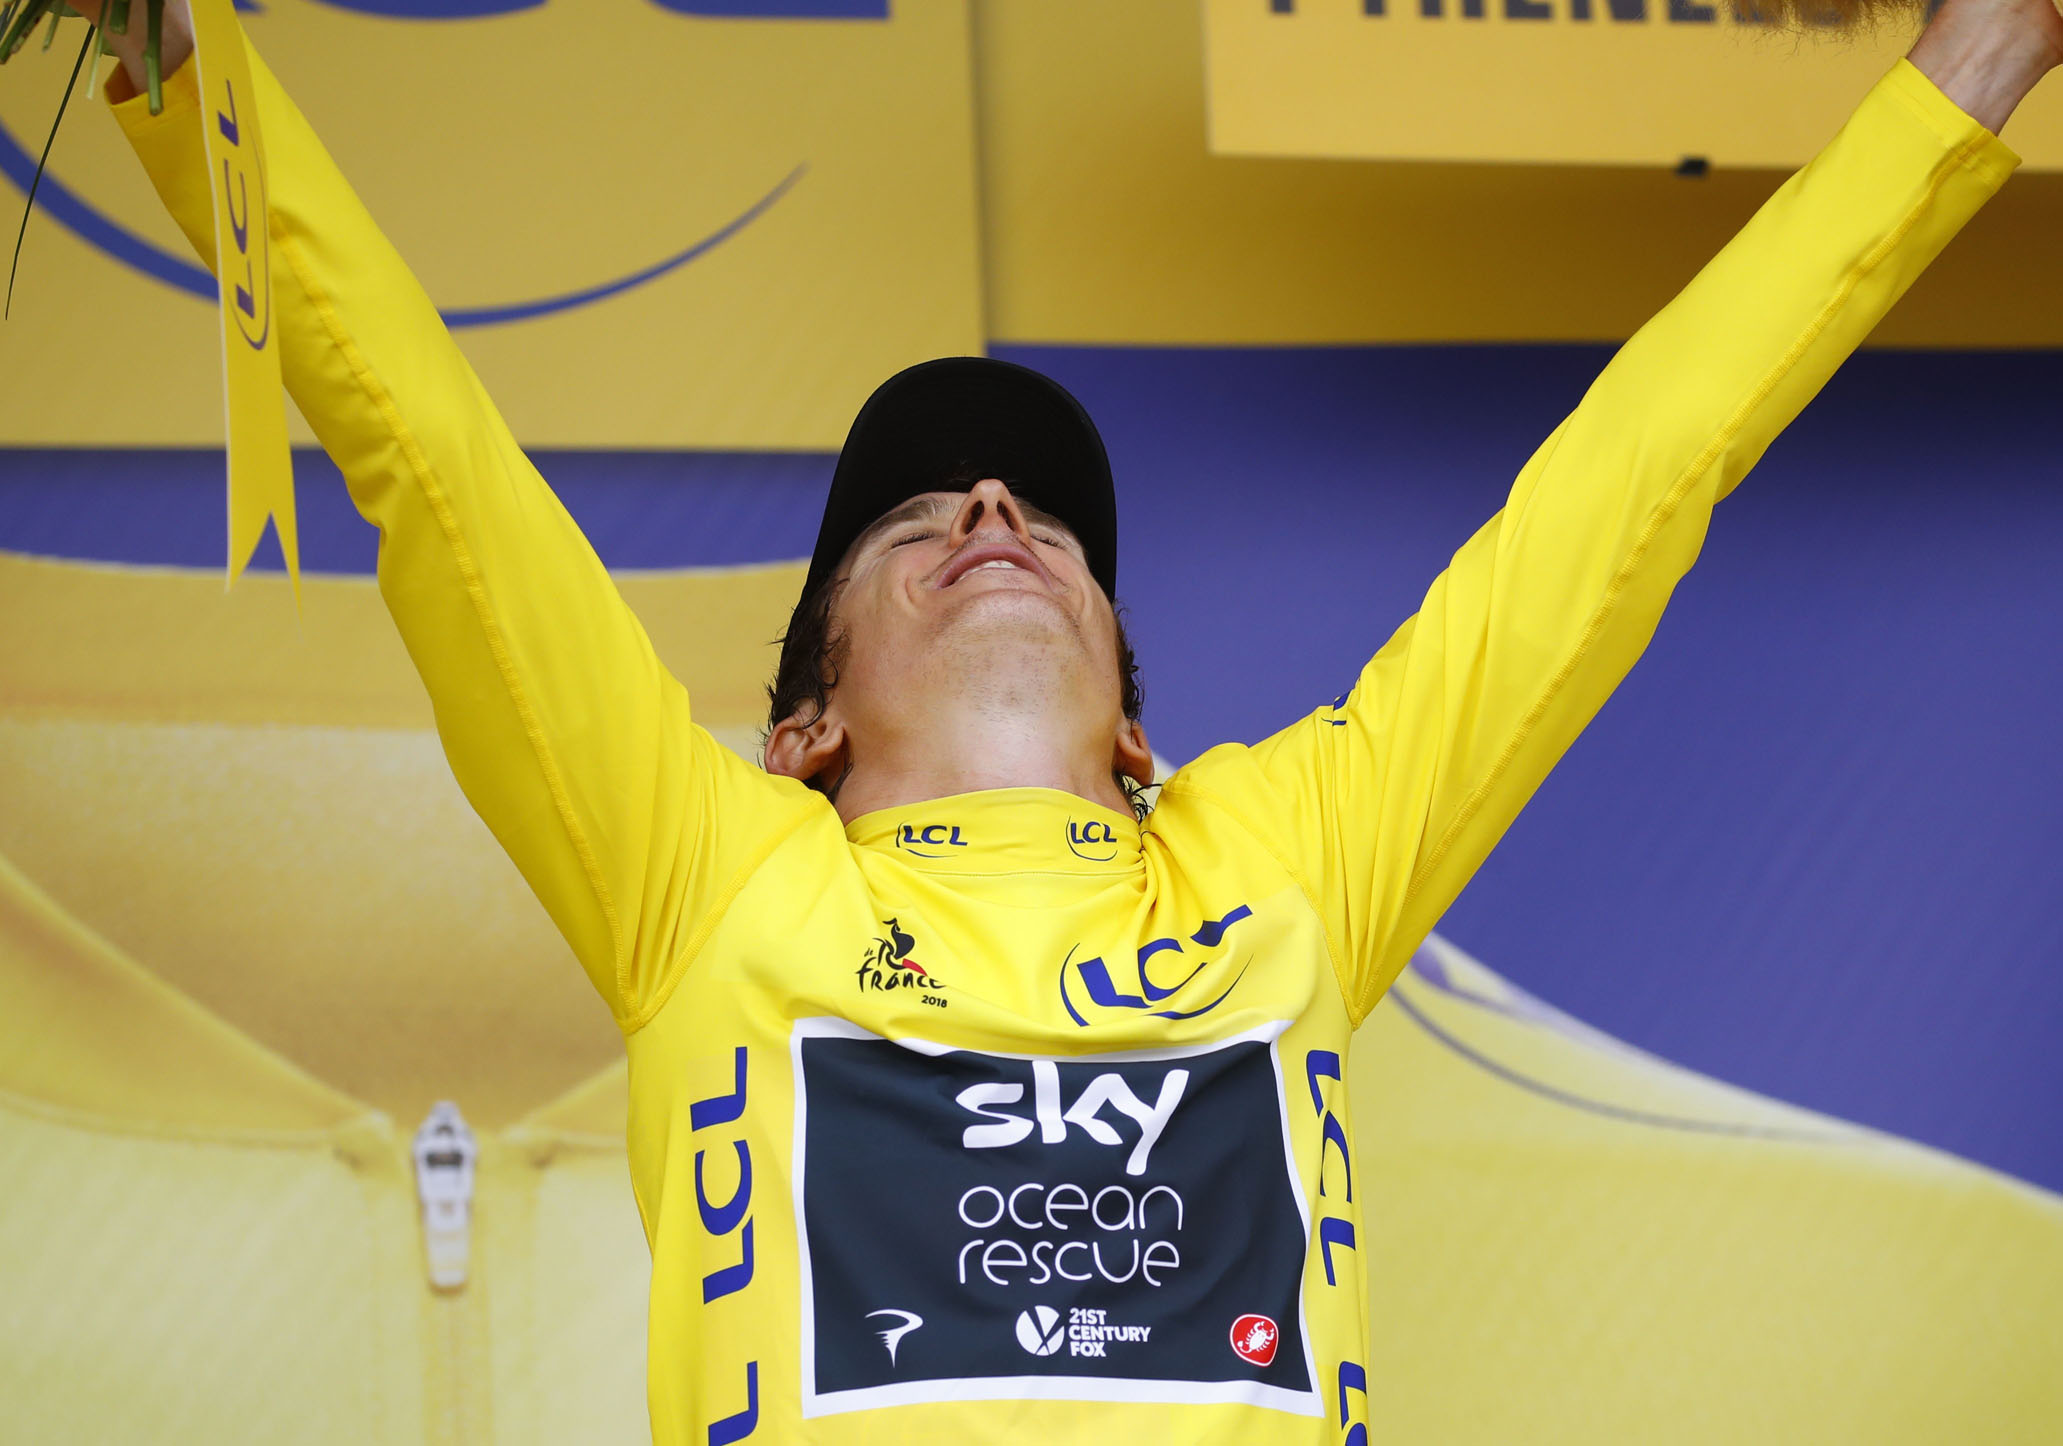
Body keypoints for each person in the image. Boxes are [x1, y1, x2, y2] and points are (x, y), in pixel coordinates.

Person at [85, 0, 2059, 1440]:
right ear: (802, 730)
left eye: (1039, 512)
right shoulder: (710, 877)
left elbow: (1634, 483)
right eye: (918, 513)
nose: (998, 511)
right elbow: (433, 463)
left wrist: (1974, 64)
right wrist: (190, 79)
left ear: (1136, 726)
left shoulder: (1277, 863)